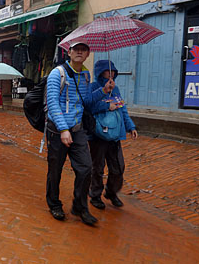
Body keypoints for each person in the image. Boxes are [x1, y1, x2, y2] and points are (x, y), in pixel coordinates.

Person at [45, 40, 114, 225]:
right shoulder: (56, 74)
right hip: (57, 131)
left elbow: (86, 101)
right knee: (55, 171)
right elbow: (52, 103)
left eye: (83, 50)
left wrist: (103, 90)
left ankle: (80, 206)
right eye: (76, 49)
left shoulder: (85, 75)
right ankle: (54, 204)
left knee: (85, 169)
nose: (79, 52)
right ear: (69, 52)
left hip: (77, 129)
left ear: (88, 54)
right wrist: (63, 129)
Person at [88, 60, 138, 210]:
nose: (111, 74)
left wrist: (130, 126)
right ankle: (95, 195)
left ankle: (111, 192)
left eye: (113, 71)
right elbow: (88, 106)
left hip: (115, 133)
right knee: (97, 167)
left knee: (118, 167)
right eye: (107, 71)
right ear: (99, 72)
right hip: (98, 134)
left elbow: (122, 109)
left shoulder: (116, 90)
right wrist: (106, 105)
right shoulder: (93, 87)